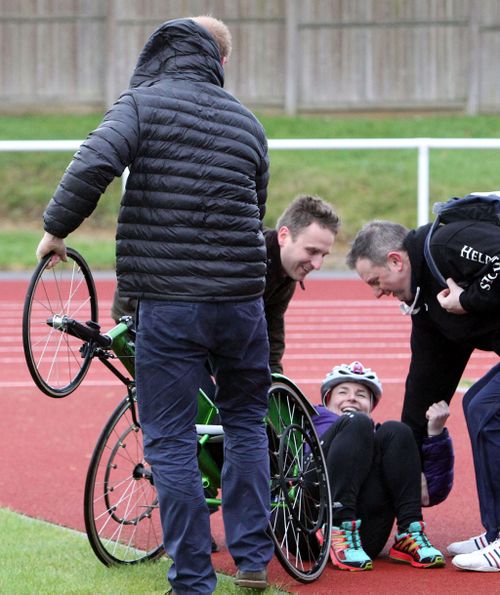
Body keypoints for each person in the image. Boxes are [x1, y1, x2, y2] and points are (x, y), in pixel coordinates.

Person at [36, 16, 274, 593]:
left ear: (162, 51)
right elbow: (256, 206)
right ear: (221, 61)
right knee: (245, 423)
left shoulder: (144, 102)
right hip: (244, 303)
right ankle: (251, 560)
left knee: (169, 437)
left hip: (171, 304)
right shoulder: (248, 122)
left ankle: (192, 579)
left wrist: (55, 230)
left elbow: (95, 162)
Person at [346, 211, 500, 572]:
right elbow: (425, 385)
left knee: (489, 412)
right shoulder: (427, 303)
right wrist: (408, 461)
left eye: (374, 280)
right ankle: (495, 532)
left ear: (396, 260)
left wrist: (470, 300)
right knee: (477, 402)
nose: (376, 293)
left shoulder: (446, 245)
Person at [112, 193, 339, 372]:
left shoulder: (285, 272)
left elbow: (272, 330)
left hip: (184, 318)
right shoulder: (246, 251)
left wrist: (274, 379)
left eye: (324, 255)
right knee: (205, 399)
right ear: (283, 236)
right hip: (143, 306)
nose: (317, 264)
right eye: (312, 251)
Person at [312, 361, 451, 571]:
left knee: (397, 430)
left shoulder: (384, 443)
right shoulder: (308, 422)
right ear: (327, 400)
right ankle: (337, 527)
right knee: (356, 423)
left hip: (365, 541)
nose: (351, 397)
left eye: (361, 395)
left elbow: (427, 494)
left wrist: (435, 433)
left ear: (371, 406)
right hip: (309, 529)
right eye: (343, 392)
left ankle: (409, 533)